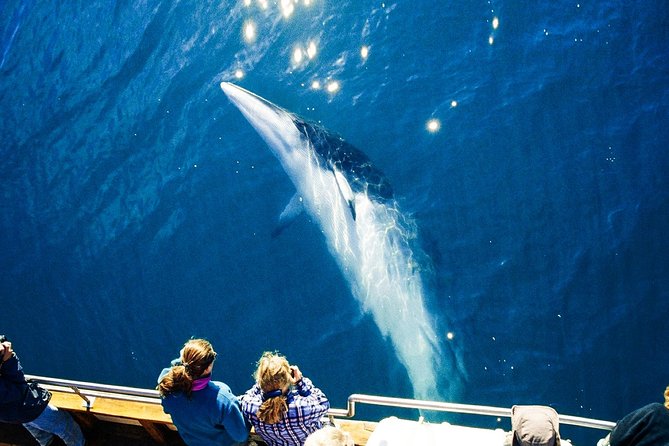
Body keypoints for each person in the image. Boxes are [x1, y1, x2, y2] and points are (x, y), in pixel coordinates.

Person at [157, 338, 249, 446]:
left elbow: (169, 374)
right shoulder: (222, 398)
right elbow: (240, 435)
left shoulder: (168, 389)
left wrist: (181, 360)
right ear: (207, 369)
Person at [0, 336, 86, 446]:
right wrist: (9, 360)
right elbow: (18, 389)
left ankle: (49, 443)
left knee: (39, 432)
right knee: (66, 427)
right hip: (28, 408)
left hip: (11, 414)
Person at [239, 351, 330, 445]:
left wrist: (264, 382)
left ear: (261, 380)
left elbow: (249, 394)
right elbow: (324, 403)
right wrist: (301, 382)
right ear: (289, 378)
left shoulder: (250, 406)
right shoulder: (302, 408)